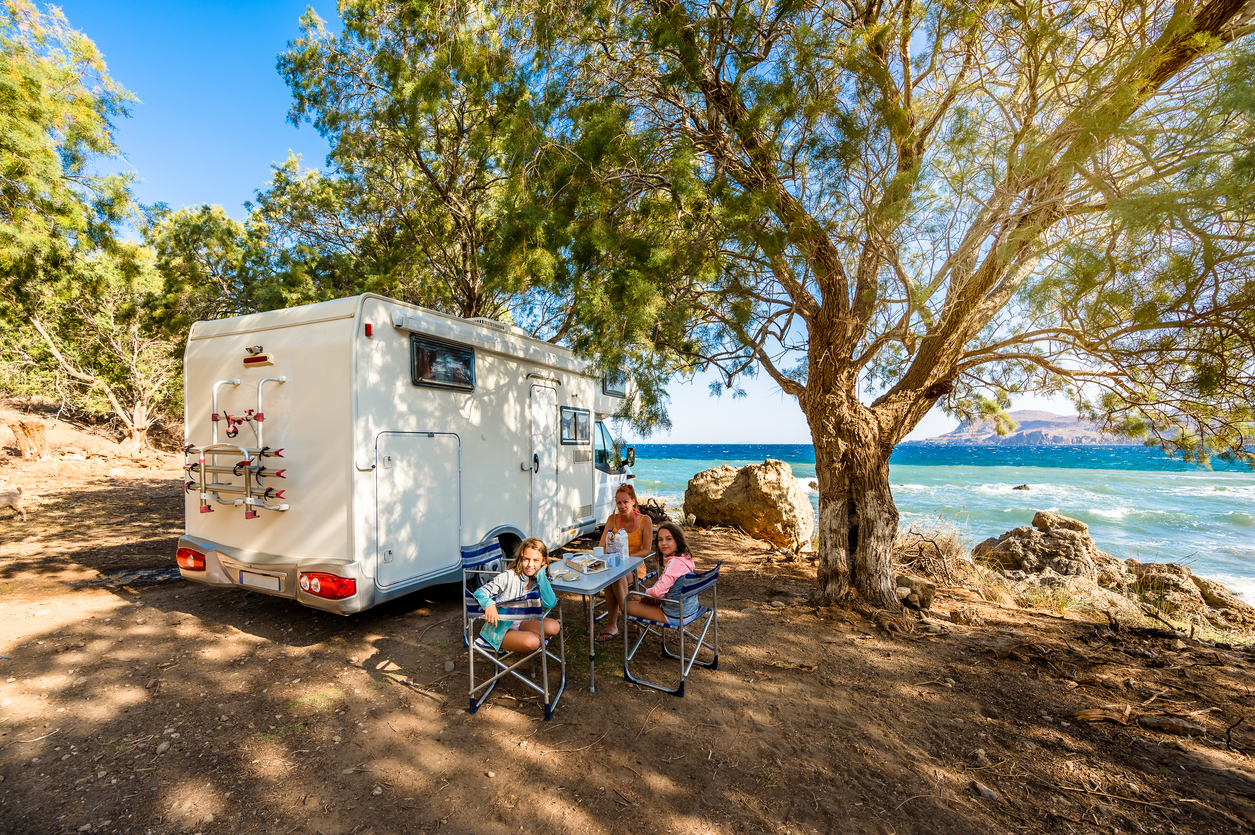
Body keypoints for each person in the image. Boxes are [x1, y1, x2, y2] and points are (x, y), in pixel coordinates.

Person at [472, 537, 561, 653]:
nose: (530, 564)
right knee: (533, 642)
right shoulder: (508, 576)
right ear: (521, 558)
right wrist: (489, 605)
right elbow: (479, 592)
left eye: (536, 560)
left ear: (543, 561)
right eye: (526, 559)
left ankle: (533, 637)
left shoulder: (538, 579)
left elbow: (550, 603)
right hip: (501, 629)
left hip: (524, 622)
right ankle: (535, 639)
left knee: (554, 627)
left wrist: (541, 576)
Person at [594, 483, 654, 642]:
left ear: (633, 501)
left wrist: (625, 556)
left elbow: (646, 550)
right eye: (619, 502)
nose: (622, 506)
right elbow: (602, 545)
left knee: (614, 576)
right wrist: (613, 556)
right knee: (613, 576)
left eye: (625, 502)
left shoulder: (644, 521)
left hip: (635, 566)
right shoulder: (612, 520)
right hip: (614, 563)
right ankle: (626, 620)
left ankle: (614, 624)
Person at [626, 522, 697, 627]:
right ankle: (641, 606)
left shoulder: (675, 563)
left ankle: (632, 630)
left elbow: (657, 592)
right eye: (660, 539)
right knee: (643, 600)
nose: (663, 543)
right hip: (691, 611)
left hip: (676, 615)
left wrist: (646, 593)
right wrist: (647, 598)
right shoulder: (685, 558)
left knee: (627, 606)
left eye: (669, 539)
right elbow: (668, 589)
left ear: (678, 541)